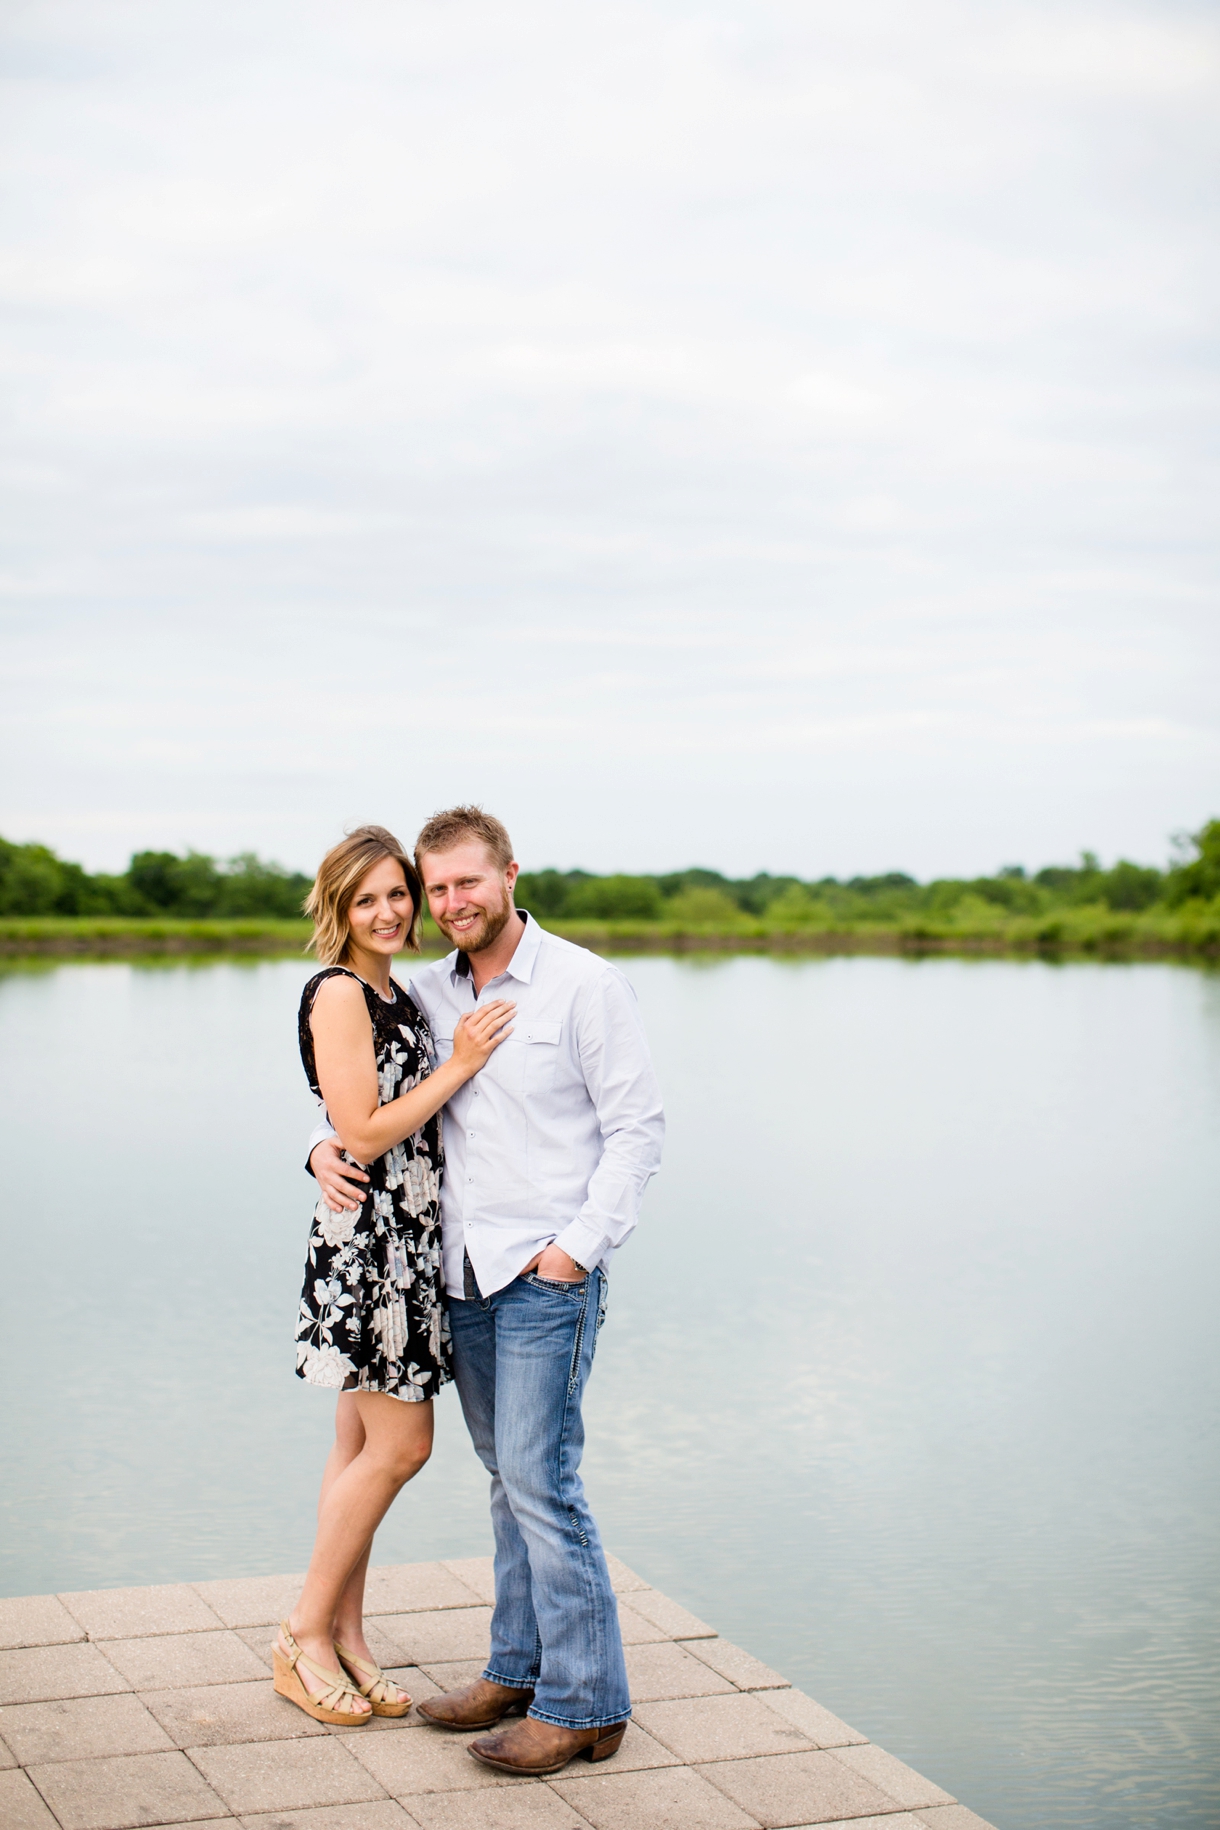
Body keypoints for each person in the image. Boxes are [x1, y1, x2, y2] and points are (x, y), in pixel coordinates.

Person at [309, 805, 665, 1774]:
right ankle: (514, 1668)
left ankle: (584, 1703)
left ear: (510, 873)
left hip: (543, 1275)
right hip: (457, 1276)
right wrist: (312, 1147)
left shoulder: (583, 985)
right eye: (437, 887)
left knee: (543, 1485)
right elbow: (355, 1094)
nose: (450, 901)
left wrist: (576, 1251)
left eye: (468, 881)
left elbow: (637, 1130)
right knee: (508, 1483)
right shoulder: (424, 992)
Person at [275, 825, 515, 1728]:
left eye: (397, 894)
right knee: (403, 1448)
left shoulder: (399, 992)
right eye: (365, 897)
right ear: (337, 907)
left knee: (356, 1449)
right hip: (372, 1245)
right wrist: (459, 1063)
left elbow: (341, 1118)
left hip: (413, 1240)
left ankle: (347, 1635)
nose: (388, 911)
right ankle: (302, 1634)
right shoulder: (340, 991)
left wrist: (316, 1142)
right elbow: (364, 1130)